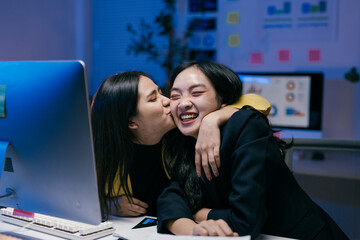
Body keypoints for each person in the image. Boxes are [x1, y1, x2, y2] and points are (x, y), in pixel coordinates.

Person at [157, 60, 348, 239]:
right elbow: (171, 196)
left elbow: (245, 221)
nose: (183, 103)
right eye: (175, 96)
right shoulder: (182, 141)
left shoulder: (245, 127)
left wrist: (197, 213)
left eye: (196, 93)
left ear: (223, 99)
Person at [90, 71, 271, 218]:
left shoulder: (182, 130)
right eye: (153, 99)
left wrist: (215, 118)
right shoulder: (107, 158)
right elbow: (77, 201)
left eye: (160, 92)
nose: (168, 100)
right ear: (131, 123)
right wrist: (107, 205)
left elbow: (259, 102)